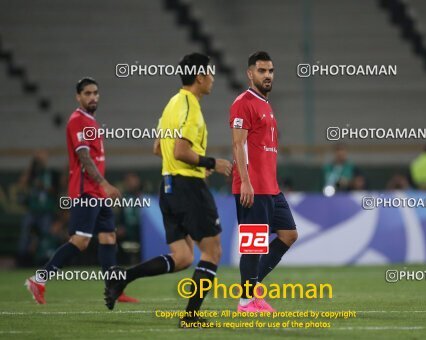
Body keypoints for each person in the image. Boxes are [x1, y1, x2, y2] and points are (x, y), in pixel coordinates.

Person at [104, 53, 232, 327]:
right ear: (199, 77)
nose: (212, 79)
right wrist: (212, 163)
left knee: (184, 257)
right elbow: (181, 150)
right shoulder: (191, 107)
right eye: (210, 74)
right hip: (188, 188)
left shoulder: (171, 104)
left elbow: (157, 149)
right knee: (213, 253)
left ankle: (123, 277)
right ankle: (191, 316)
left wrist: (194, 164)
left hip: (169, 186)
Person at [25, 77, 137, 304]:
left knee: (108, 236)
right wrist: (104, 183)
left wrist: (102, 187)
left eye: (95, 92)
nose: (92, 97)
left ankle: (113, 287)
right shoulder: (77, 120)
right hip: (86, 191)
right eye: (87, 93)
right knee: (81, 241)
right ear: (78, 97)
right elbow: (84, 157)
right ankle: (39, 279)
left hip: (97, 192)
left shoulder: (91, 121)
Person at [230, 51, 298, 312]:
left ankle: (251, 287)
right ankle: (246, 302)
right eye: (262, 71)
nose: (267, 75)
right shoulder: (243, 103)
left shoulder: (265, 105)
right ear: (250, 73)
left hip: (271, 187)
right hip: (253, 187)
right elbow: (238, 144)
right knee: (254, 245)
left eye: (270, 71)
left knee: (289, 234)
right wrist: (246, 182)